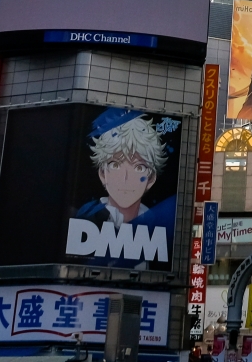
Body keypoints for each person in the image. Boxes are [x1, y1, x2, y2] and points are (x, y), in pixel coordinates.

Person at [71, 109, 176, 266]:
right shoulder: (88, 216)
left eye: (139, 168)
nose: (125, 178)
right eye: (115, 165)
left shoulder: (160, 225)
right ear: (102, 173)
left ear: (151, 178)